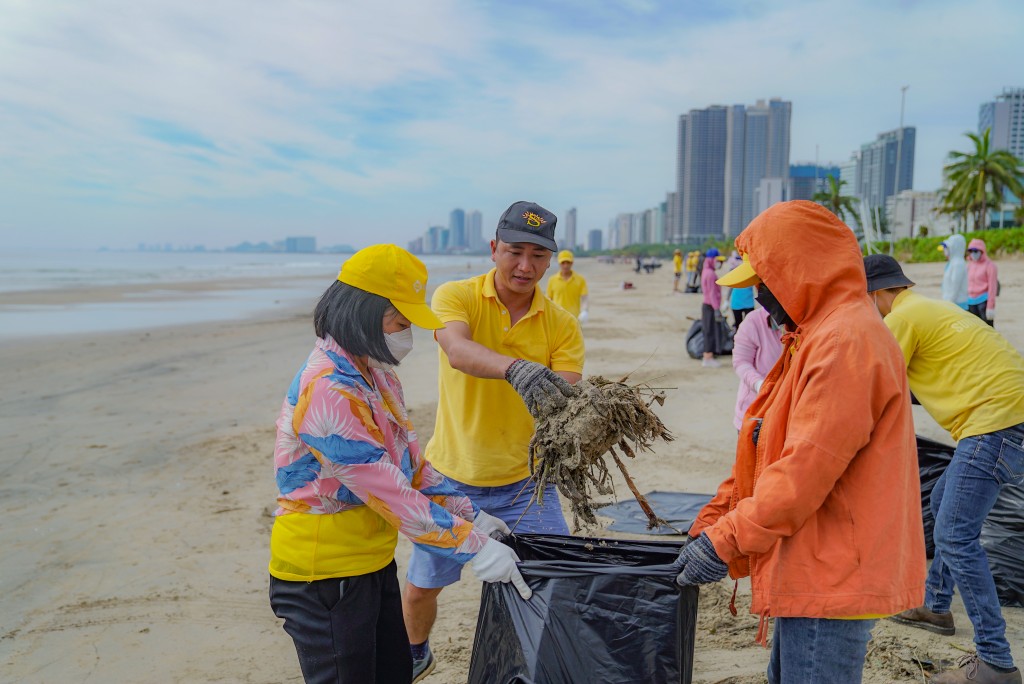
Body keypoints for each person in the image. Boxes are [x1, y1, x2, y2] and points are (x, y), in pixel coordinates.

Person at [673, 201, 925, 684]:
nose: (761, 298)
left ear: (801, 271)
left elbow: (801, 472)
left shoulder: (846, 342)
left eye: (765, 283)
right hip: (810, 556)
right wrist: (711, 518)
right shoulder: (812, 334)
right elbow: (763, 445)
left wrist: (724, 540)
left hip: (832, 568)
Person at [267, 245, 530, 684]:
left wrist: (473, 515)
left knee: (393, 673)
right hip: (324, 575)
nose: (406, 332)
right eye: (400, 320)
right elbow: (389, 491)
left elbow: (412, 465)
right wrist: (473, 546)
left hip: (372, 561)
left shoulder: (377, 373)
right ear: (363, 312)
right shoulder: (328, 388)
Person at [402, 201, 585, 680]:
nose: (525, 266)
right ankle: (416, 651)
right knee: (423, 585)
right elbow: (457, 350)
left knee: (556, 576)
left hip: (527, 482)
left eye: (538, 256)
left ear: (552, 259)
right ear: (493, 249)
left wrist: (569, 400)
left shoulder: (562, 323)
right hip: (451, 478)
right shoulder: (455, 296)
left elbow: (567, 389)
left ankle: (544, 657)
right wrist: (516, 368)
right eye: (514, 251)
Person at [865, 253, 1024, 684]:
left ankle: (996, 662)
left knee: (956, 535)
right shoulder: (934, 307)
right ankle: (936, 607)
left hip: (993, 424)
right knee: (942, 505)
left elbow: (878, 386)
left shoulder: (901, 320)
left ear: (877, 294)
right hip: (1009, 414)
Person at [730, 307, 783, 432]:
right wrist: (760, 384)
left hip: (789, 416)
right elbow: (741, 361)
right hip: (756, 415)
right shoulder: (753, 322)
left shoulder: (804, 323)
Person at [546, 249, 589, 323]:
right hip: (557, 319)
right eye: (563, 263)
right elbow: (548, 299)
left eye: (568, 262)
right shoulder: (552, 280)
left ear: (572, 263)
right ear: (559, 263)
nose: (565, 265)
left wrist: (584, 311)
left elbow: (584, 299)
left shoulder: (580, 279)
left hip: (574, 319)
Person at [699, 247, 723, 368]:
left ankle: (707, 355)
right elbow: (712, 294)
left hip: (707, 305)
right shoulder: (711, 274)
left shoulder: (705, 271)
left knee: (708, 330)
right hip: (710, 306)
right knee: (710, 331)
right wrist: (717, 309)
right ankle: (708, 357)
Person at [967, 238, 999, 326]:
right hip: (970, 302)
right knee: (974, 328)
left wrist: (990, 306)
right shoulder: (970, 265)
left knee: (987, 328)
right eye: (971, 251)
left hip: (983, 302)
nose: (973, 253)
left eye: (976, 251)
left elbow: (993, 287)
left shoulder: (990, 266)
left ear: (982, 251)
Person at [940, 234, 969, 309]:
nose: (944, 249)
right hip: (951, 303)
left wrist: (949, 303)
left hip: (957, 304)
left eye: (946, 247)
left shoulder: (958, 264)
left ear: (954, 248)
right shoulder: (952, 262)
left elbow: (955, 286)